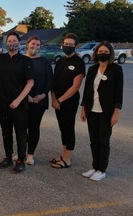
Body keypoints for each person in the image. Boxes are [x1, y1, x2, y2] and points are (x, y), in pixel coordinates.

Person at [80, 42, 123, 181]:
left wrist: (116, 112)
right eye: (100, 51)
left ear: (110, 53)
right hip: (92, 110)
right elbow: (87, 90)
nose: (102, 53)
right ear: (96, 53)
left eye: (105, 51)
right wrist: (83, 108)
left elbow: (118, 92)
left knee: (103, 141)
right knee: (94, 140)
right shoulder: (92, 69)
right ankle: (94, 167)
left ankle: (102, 169)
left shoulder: (116, 69)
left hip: (107, 112)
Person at [0, 32, 35, 173]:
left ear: (19, 43)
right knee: (6, 132)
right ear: (6, 44)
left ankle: (20, 160)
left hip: (19, 104)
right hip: (1, 102)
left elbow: (30, 83)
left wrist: (18, 100)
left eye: (14, 40)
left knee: (20, 132)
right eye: (9, 40)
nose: (12, 43)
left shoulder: (26, 61)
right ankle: (8, 157)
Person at [50, 33, 85, 168]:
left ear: (75, 46)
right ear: (62, 45)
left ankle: (67, 159)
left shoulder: (79, 63)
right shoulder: (60, 61)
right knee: (62, 128)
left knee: (68, 128)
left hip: (68, 101)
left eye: (71, 45)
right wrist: (54, 99)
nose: (68, 47)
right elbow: (54, 82)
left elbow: (75, 87)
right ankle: (63, 155)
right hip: (57, 100)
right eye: (66, 44)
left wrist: (60, 101)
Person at [23, 36, 53, 165]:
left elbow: (49, 80)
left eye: (38, 45)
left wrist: (43, 95)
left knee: (34, 127)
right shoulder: (21, 60)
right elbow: (16, 80)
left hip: (39, 101)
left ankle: (30, 154)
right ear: (27, 44)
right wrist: (25, 96)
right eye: (33, 44)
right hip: (23, 100)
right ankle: (21, 152)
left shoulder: (44, 62)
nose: (35, 46)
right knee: (22, 127)